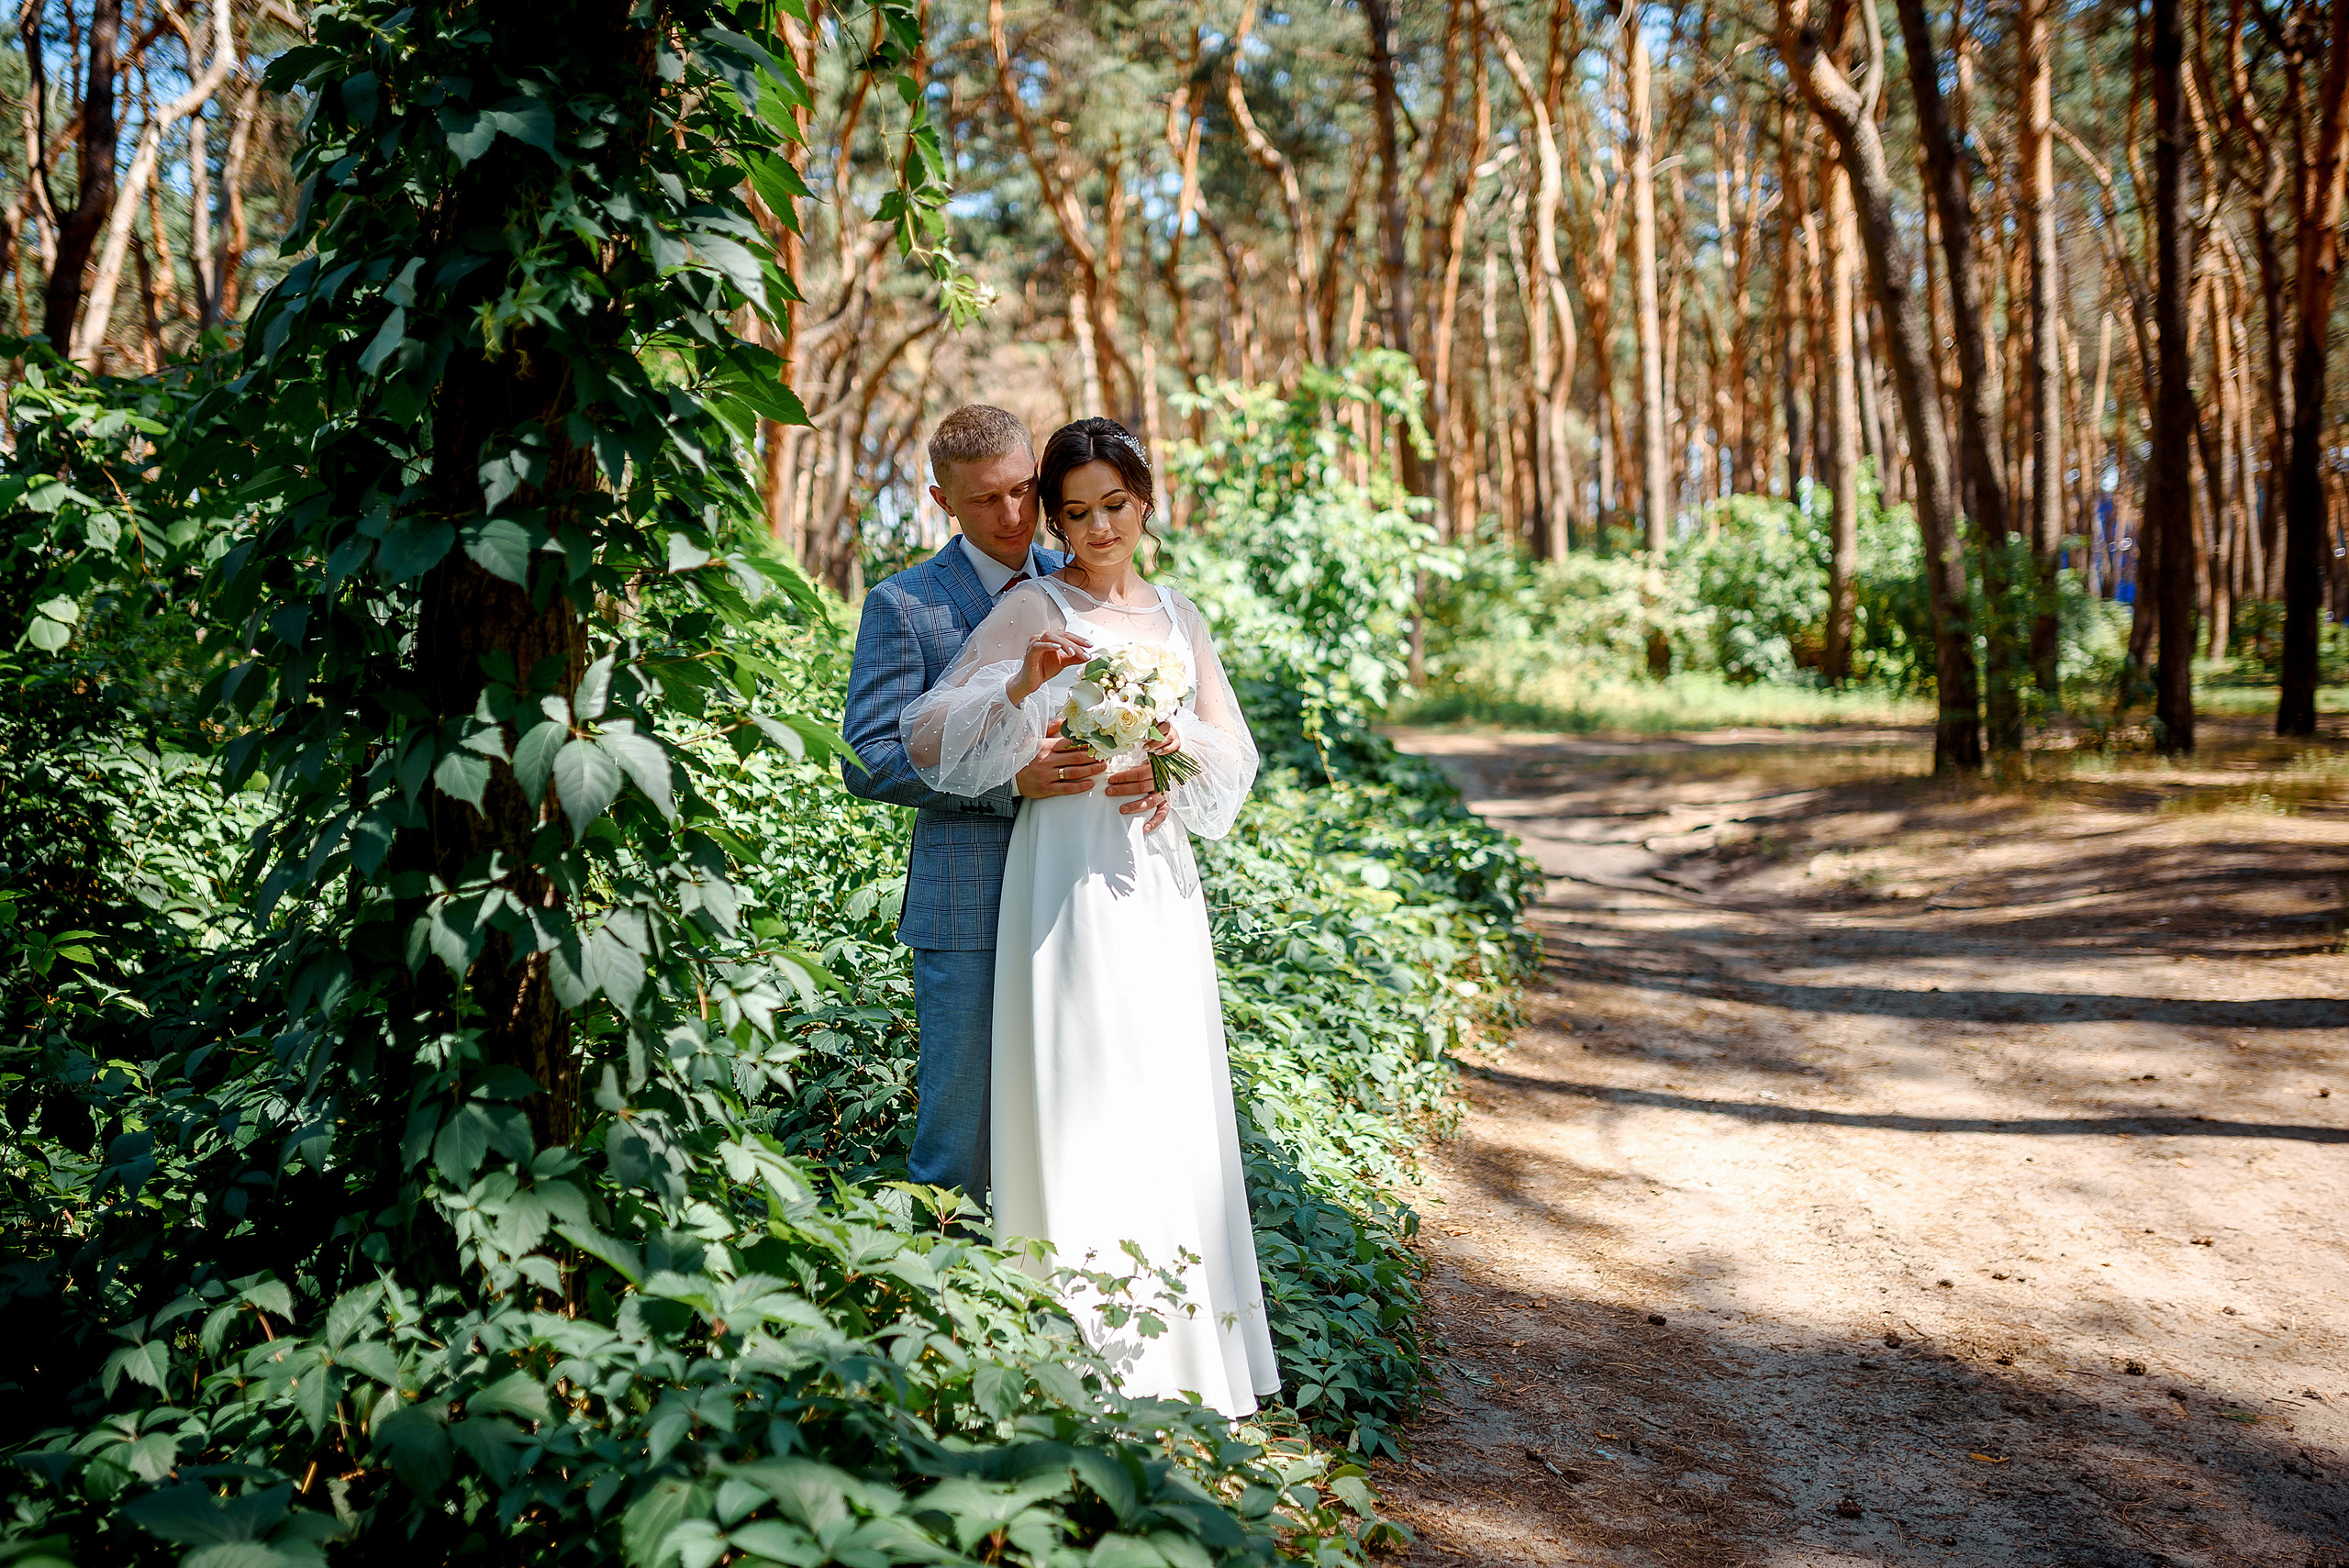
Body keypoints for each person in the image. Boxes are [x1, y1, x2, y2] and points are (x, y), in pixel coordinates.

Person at [901, 417, 1279, 1419]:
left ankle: (1184, 1356)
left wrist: (1174, 760)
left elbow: (1231, 758)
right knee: (1072, 1081)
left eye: (1114, 504)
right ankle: (1073, 1348)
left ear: (1145, 499)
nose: (1097, 527)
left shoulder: (1180, 614)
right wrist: (1026, 688)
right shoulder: (1035, 602)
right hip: (1060, 867)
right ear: (1058, 520)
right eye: (1075, 512)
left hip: (1154, 873)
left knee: (1162, 1088)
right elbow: (929, 731)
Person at [841, 406, 1169, 1198]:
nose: (1014, 514)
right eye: (986, 499)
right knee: (961, 1134)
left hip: (1087, 894)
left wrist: (1163, 769)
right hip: (970, 901)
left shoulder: (1084, 588)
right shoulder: (906, 605)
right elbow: (869, 758)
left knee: (1076, 1114)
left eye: (1025, 490)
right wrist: (1006, 781)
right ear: (940, 500)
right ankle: (943, 1297)